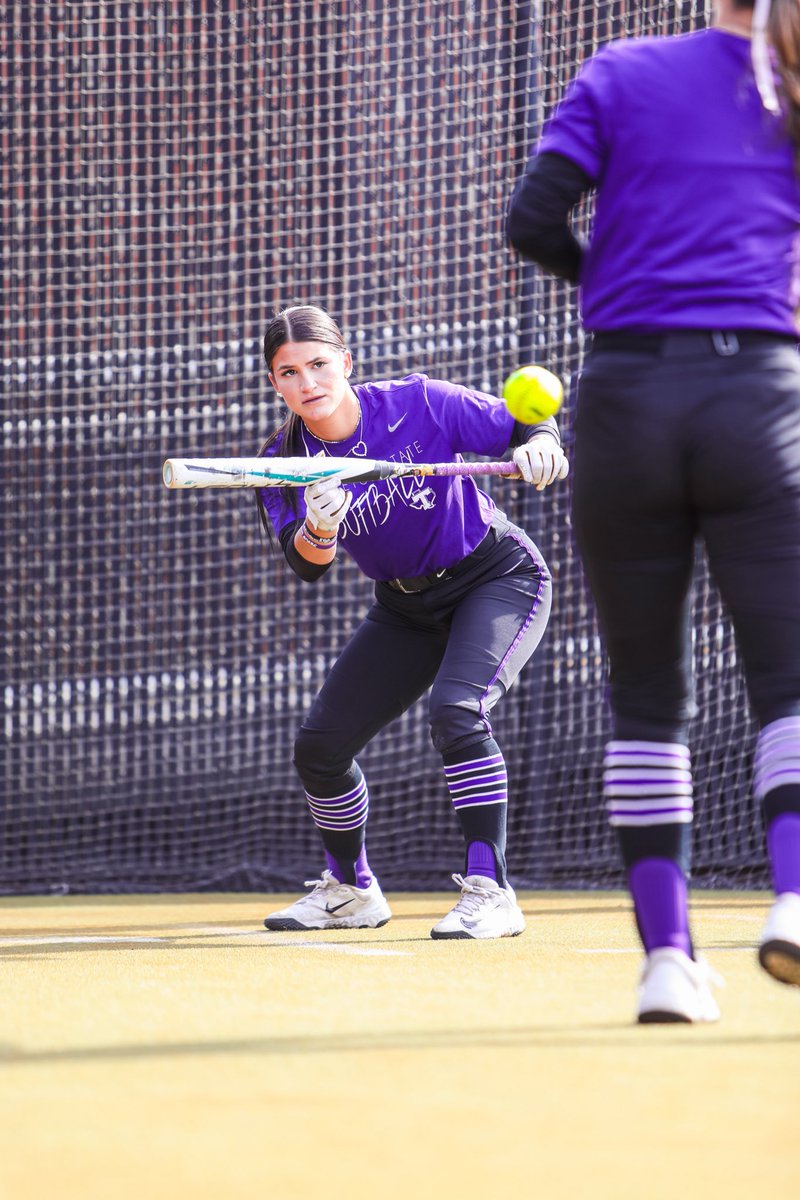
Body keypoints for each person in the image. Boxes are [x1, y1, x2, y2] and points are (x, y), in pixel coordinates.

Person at [506, 0, 800, 1021]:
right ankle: (794, 902)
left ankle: (667, 960)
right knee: (788, 681)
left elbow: (529, 220)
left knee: (643, 693)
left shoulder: (621, 69)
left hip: (624, 394)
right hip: (759, 399)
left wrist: (615, 289)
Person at [255, 304, 568, 939]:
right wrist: (318, 527)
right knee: (319, 749)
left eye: (318, 364)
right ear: (275, 383)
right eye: (289, 372)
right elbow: (308, 565)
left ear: (345, 362)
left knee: (456, 710)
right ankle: (351, 891)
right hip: (404, 608)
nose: (308, 383)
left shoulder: (419, 402)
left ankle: (492, 889)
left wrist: (542, 444)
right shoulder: (282, 459)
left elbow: (526, 426)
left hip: (496, 578)